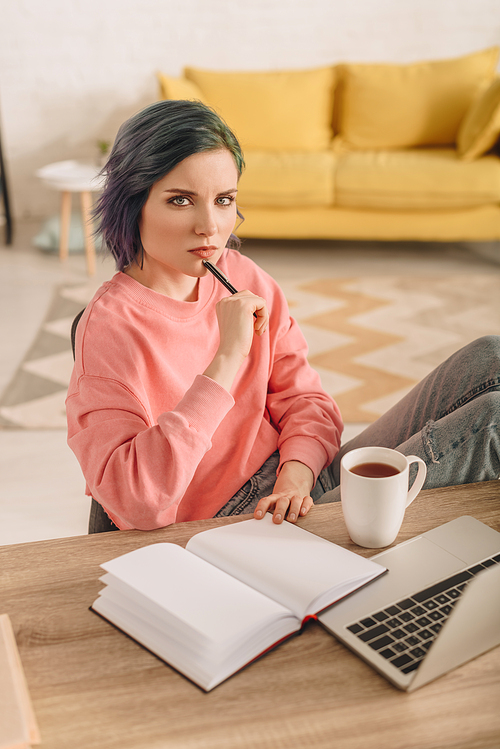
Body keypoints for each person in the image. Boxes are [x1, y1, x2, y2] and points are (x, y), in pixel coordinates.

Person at [66, 100, 500, 533]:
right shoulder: (109, 330)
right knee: (494, 419)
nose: (210, 227)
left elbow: (306, 400)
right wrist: (227, 359)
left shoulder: (243, 275)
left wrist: (298, 471)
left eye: (223, 200)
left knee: (489, 356)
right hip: (228, 526)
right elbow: (136, 501)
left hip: (298, 482)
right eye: (180, 200)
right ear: (132, 201)